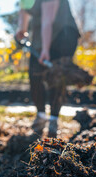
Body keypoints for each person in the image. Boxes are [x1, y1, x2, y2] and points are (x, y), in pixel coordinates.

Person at [16, 0, 80, 137]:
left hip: (64, 34)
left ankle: (54, 120)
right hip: (42, 32)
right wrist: (22, 29)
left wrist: (45, 49)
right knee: (35, 73)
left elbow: (47, 20)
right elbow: (24, 10)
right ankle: (40, 116)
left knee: (56, 76)